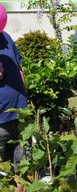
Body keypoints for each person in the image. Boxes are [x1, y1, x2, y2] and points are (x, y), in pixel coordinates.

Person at [0, 31, 26, 191]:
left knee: (22, 168)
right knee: (3, 173)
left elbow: (19, 69)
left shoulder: (5, 36)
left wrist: (25, 98)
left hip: (19, 115)